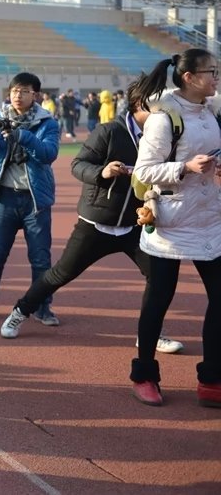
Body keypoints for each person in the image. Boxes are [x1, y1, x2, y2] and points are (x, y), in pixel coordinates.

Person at [0, 80, 183, 354]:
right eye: (158, 110)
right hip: (96, 223)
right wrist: (102, 172)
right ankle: (19, 311)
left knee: (160, 277)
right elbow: (78, 164)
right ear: (138, 106)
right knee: (60, 274)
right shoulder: (110, 131)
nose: (164, 116)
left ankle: (150, 333)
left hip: (135, 224)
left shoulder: (164, 139)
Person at [127, 50, 221, 408]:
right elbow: (143, 171)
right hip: (171, 222)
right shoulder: (164, 118)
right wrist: (184, 167)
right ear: (188, 77)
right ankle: (144, 373)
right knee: (158, 300)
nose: (215, 78)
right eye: (210, 72)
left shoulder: (211, 110)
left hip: (210, 217)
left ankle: (211, 378)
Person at [0, 72, 59, 323]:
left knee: (41, 258)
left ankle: (42, 307)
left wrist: (21, 135)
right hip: (4, 198)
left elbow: (48, 153)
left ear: (35, 95)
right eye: (15, 91)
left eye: (24, 91)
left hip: (35, 201)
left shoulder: (47, 123)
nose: (18, 95)